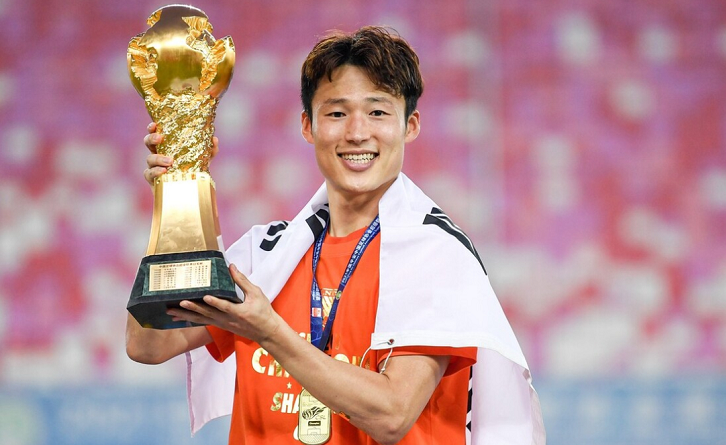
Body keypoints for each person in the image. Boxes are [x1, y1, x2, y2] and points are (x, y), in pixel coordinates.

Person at [127, 26, 545, 445]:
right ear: (308, 126)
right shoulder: (265, 253)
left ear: (410, 125)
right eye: (337, 113)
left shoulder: (435, 254)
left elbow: (392, 415)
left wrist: (269, 332)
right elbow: (149, 344)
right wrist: (178, 197)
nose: (357, 133)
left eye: (378, 112)